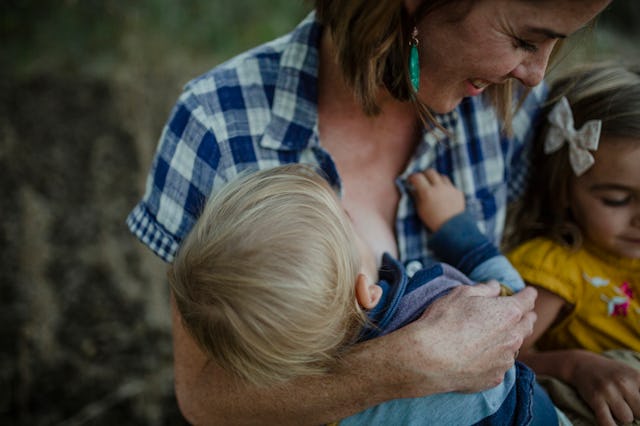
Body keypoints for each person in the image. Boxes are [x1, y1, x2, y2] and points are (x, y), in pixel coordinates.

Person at [127, 0, 611, 423]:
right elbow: (204, 397)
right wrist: (398, 366)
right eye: (524, 39)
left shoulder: (511, 104)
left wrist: (572, 365)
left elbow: (514, 329)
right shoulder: (216, 125)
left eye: (554, 43)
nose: (535, 74)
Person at [169, 163, 547, 425]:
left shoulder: (318, 409)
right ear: (366, 291)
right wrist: (455, 228)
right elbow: (511, 308)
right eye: (348, 221)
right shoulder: (433, 300)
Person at [505, 63, 640, 426]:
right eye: (616, 199)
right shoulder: (556, 267)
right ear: (563, 189)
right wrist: (575, 364)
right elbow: (503, 356)